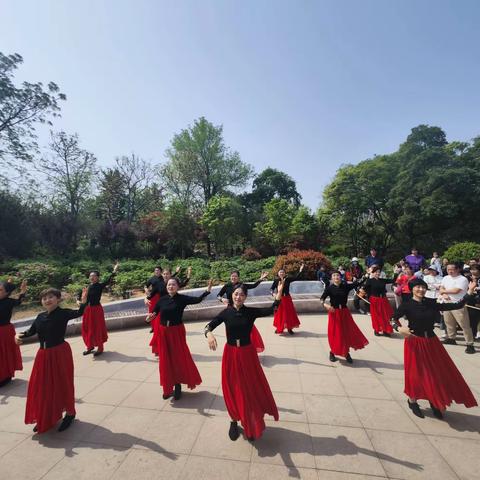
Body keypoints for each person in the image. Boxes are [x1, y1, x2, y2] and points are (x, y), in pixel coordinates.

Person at [204, 281, 284, 441]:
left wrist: (279, 294)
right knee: (233, 387)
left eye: (241, 294)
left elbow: (271, 310)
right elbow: (208, 326)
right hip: (231, 354)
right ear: (231, 296)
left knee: (249, 387)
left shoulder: (250, 312)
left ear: (246, 297)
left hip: (248, 354)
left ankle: (250, 421)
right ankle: (233, 420)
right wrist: (209, 334)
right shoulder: (226, 313)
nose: (238, 297)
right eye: (236, 294)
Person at [392, 278, 477, 419]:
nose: (421, 289)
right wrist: (398, 327)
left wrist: (469, 292)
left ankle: (434, 401)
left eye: (423, 287)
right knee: (416, 373)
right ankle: (412, 401)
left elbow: (457, 305)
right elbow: (392, 318)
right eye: (418, 287)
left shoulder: (431, 303)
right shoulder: (406, 305)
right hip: (415, 342)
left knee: (437, 373)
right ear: (412, 289)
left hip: (432, 342)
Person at [16, 287, 88, 433]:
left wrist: (84, 302)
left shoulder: (63, 313)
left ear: (58, 299)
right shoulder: (40, 317)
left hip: (60, 353)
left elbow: (80, 312)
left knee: (63, 383)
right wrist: (18, 336)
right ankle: (46, 416)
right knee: (42, 386)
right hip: (43, 355)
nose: (47, 300)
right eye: (44, 298)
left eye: (50, 297)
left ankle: (70, 413)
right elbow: (30, 332)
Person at [146, 278, 212, 400]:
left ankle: (177, 385)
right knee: (165, 360)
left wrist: (207, 291)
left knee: (177, 358)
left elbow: (197, 300)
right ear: (166, 286)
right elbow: (155, 312)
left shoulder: (182, 299)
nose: (171, 286)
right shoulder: (162, 299)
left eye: (173, 284)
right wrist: (150, 317)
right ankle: (167, 387)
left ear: (178, 286)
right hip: (163, 332)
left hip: (176, 332)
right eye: (169, 284)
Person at [320, 272, 368, 363]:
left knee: (346, 332)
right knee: (336, 333)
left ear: (340, 277)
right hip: (334, 313)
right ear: (332, 278)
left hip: (345, 313)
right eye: (334, 275)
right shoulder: (329, 288)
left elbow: (357, 283)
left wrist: (366, 275)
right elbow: (321, 299)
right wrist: (326, 305)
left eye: (337, 275)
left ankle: (346, 353)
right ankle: (332, 352)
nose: (336, 277)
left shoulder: (345, 286)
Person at [217, 270, 269, 352]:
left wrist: (261, 279)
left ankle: (250, 347)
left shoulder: (242, 285)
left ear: (238, 277)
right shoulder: (227, 286)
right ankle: (233, 348)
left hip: (241, 310)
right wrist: (221, 299)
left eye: (235, 276)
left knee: (248, 329)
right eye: (232, 276)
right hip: (230, 310)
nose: (233, 277)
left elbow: (253, 285)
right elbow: (218, 295)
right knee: (231, 330)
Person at [148, 267, 191, 355]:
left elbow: (184, 283)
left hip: (171, 312)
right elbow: (151, 295)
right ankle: (159, 350)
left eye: (167, 274)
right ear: (162, 275)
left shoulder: (173, 284)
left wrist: (189, 274)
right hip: (161, 312)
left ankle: (173, 351)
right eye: (164, 274)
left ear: (170, 275)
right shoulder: (158, 284)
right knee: (158, 333)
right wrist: (146, 299)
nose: (165, 275)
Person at [81, 262, 119, 357]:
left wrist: (114, 270)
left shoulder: (100, 285)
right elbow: (83, 298)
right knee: (87, 328)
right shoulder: (88, 287)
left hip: (96, 309)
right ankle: (90, 347)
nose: (91, 277)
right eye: (90, 276)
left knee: (97, 328)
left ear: (97, 277)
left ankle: (100, 348)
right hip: (88, 310)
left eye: (93, 276)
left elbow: (109, 280)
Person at [440, 263, 475, 354]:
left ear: (458, 269)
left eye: (452, 269)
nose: (450, 271)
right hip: (447, 303)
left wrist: (443, 291)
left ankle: (470, 344)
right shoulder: (445, 278)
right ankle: (451, 338)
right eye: (448, 269)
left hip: (459, 304)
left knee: (464, 325)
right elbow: (441, 287)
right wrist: (444, 293)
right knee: (449, 323)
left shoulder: (462, 279)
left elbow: (456, 291)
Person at [0, 280, 27, 387]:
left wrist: (23, 291)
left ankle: (5, 376)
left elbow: (20, 300)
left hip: (5, 331)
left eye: (0, 290)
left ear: (7, 293)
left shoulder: (9, 302)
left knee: (5, 354)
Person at [271, 263, 304, 334]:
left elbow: (296, 277)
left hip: (287, 298)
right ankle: (279, 328)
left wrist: (300, 270)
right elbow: (271, 289)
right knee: (279, 314)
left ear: (284, 273)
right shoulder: (276, 280)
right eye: (280, 272)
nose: (281, 273)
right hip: (279, 299)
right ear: (278, 273)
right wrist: (273, 293)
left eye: (283, 272)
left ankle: (290, 328)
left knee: (289, 313)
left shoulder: (287, 279)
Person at [362, 266, 394, 336]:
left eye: (379, 272)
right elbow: (365, 288)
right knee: (376, 316)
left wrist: (396, 272)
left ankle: (385, 330)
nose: (377, 273)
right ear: (373, 273)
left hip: (383, 300)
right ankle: (376, 330)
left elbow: (393, 280)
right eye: (376, 272)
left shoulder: (382, 280)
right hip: (375, 300)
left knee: (385, 315)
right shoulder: (370, 281)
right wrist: (370, 296)